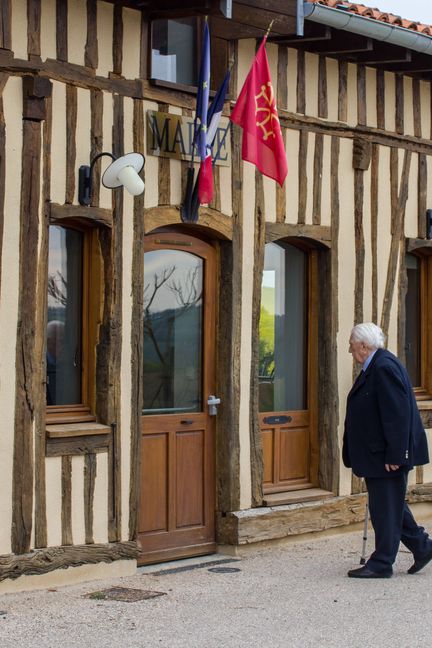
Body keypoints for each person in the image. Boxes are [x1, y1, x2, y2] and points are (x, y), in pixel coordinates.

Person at [343, 322, 432, 578]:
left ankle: (382, 563)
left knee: (384, 510)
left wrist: (396, 454)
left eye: (351, 345)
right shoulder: (377, 365)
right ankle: (422, 546)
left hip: (386, 456)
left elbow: (397, 415)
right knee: (390, 506)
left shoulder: (383, 367)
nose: (350, 351)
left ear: (363, 345)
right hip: (379, 454)